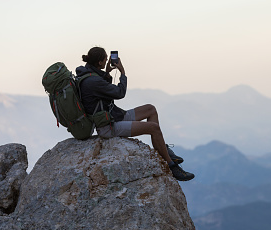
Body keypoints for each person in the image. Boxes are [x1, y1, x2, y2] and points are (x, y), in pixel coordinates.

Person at [76, 46, 195, 182]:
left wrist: (107, 73)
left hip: (115, 115)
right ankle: (171, 165)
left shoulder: (89, 75)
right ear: (100, 62)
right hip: (108, 126)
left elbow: (103, 91)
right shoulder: (93, 81)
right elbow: (120, 93)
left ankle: (163, 149)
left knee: (151, 109)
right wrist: (122, 72)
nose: (106, 62)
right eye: (105, 60)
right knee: (153, 128)